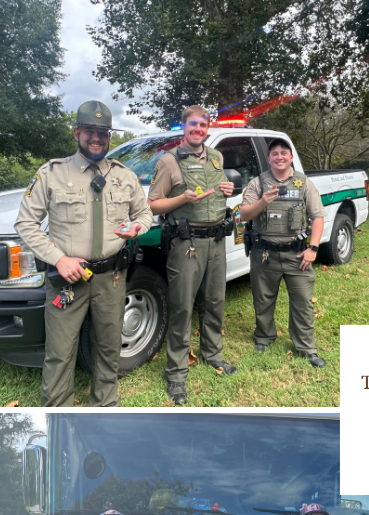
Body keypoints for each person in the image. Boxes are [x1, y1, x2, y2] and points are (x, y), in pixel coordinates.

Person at [14, 101, 153, 407]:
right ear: (76, 132)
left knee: (108, 348)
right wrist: (59, 259)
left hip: (112, 279)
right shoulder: (52, 173)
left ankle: (105, 407)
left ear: (109, 136)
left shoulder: (125, 176)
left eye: (103, 132)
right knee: (61, 352)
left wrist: (136, 229)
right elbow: (25, 222)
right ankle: (58, 413)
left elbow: (145, 214)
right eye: (90, 130)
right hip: (68, 280)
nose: (97, 138)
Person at [147, 105, 236, 406]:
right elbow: (153, 204)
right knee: (183, 307)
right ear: (182, 127)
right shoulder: (169, 161)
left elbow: (219, 191)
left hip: (216, 242)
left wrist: (228, 188)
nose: (198, 130)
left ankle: (213, 355)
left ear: (207, 128)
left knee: (214, 302)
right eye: (192, 125)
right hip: (187, 244)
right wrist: (181, 198)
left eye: (203, 125)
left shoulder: (216, 157)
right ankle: (176, 374)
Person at [238, 137, 327, 367]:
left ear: (290, 157)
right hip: (264, 253)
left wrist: (313, 248)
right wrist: (263, 202)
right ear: (268, 158)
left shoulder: (304, 183)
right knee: (263, 299)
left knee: (302, 302)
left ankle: (306, 347)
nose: (279, 157)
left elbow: (317, 216)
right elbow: (244, 215)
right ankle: (264, 337)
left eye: (283, 153)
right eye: (274, 153)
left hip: (297, 254)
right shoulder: (258, 184)